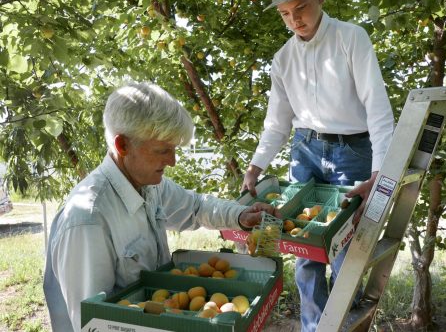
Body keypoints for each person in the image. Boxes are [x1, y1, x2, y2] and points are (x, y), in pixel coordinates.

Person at [43, 81, 277, 332]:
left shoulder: (149, 185)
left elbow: (195, 207)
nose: (173, 161)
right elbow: (93, 323)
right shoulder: (88, 220)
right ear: (123, 146)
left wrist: (241, 215)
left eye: (174, 149)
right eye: (163, 150)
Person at [241, 0, 394, 331]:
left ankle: (342, 324)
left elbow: (378, 108)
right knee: (301, 243)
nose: (295, 20)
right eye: (284, 14)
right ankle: (313, 326)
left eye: (301, 8)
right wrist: (254, 168)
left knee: (345, 245)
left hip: (353, 151)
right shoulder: (282, 59)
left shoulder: (351, 38)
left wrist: (379, 172)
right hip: (305, 151)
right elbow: (277, 123)